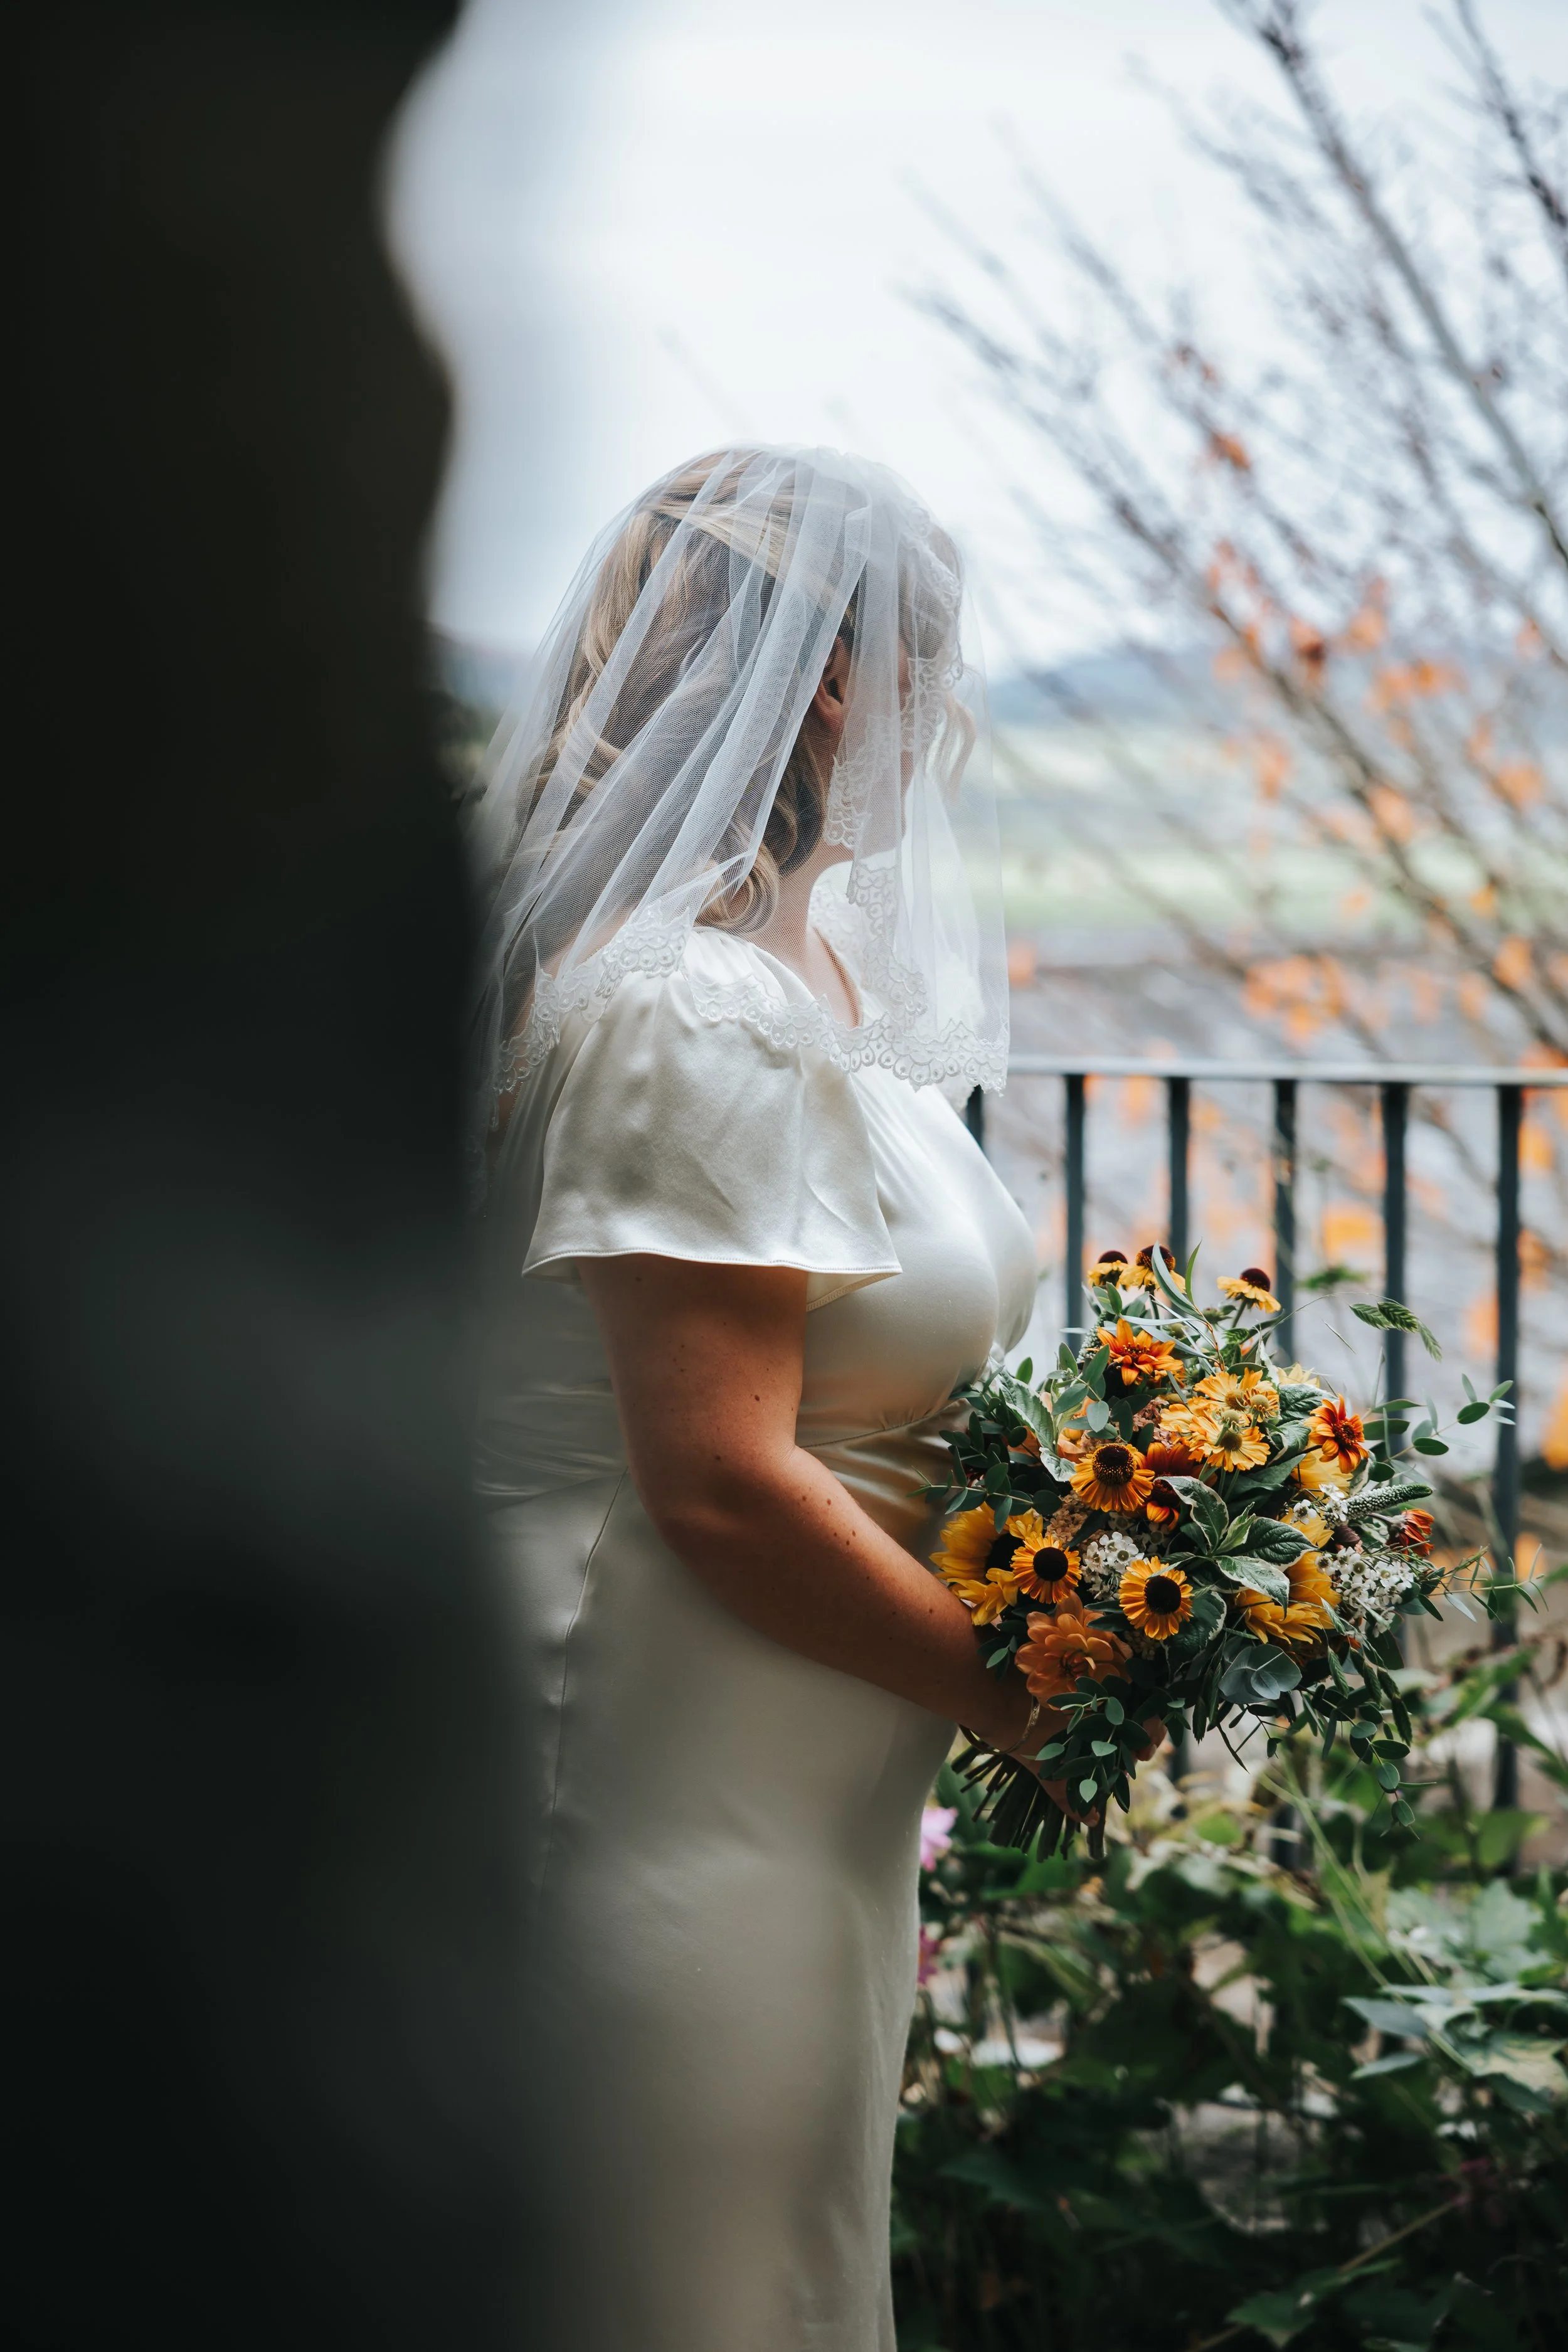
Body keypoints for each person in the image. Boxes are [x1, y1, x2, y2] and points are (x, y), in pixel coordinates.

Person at [469, 447, 1038, 2350]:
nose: (944, 717)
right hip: (664, 1768)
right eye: (926, 666)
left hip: (799, 1792)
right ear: (823, 684)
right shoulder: (680, 1001)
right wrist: (1017, 1685)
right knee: (681, 2290)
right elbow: (715, 1479)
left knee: (772, 2269)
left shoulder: (789, 976)